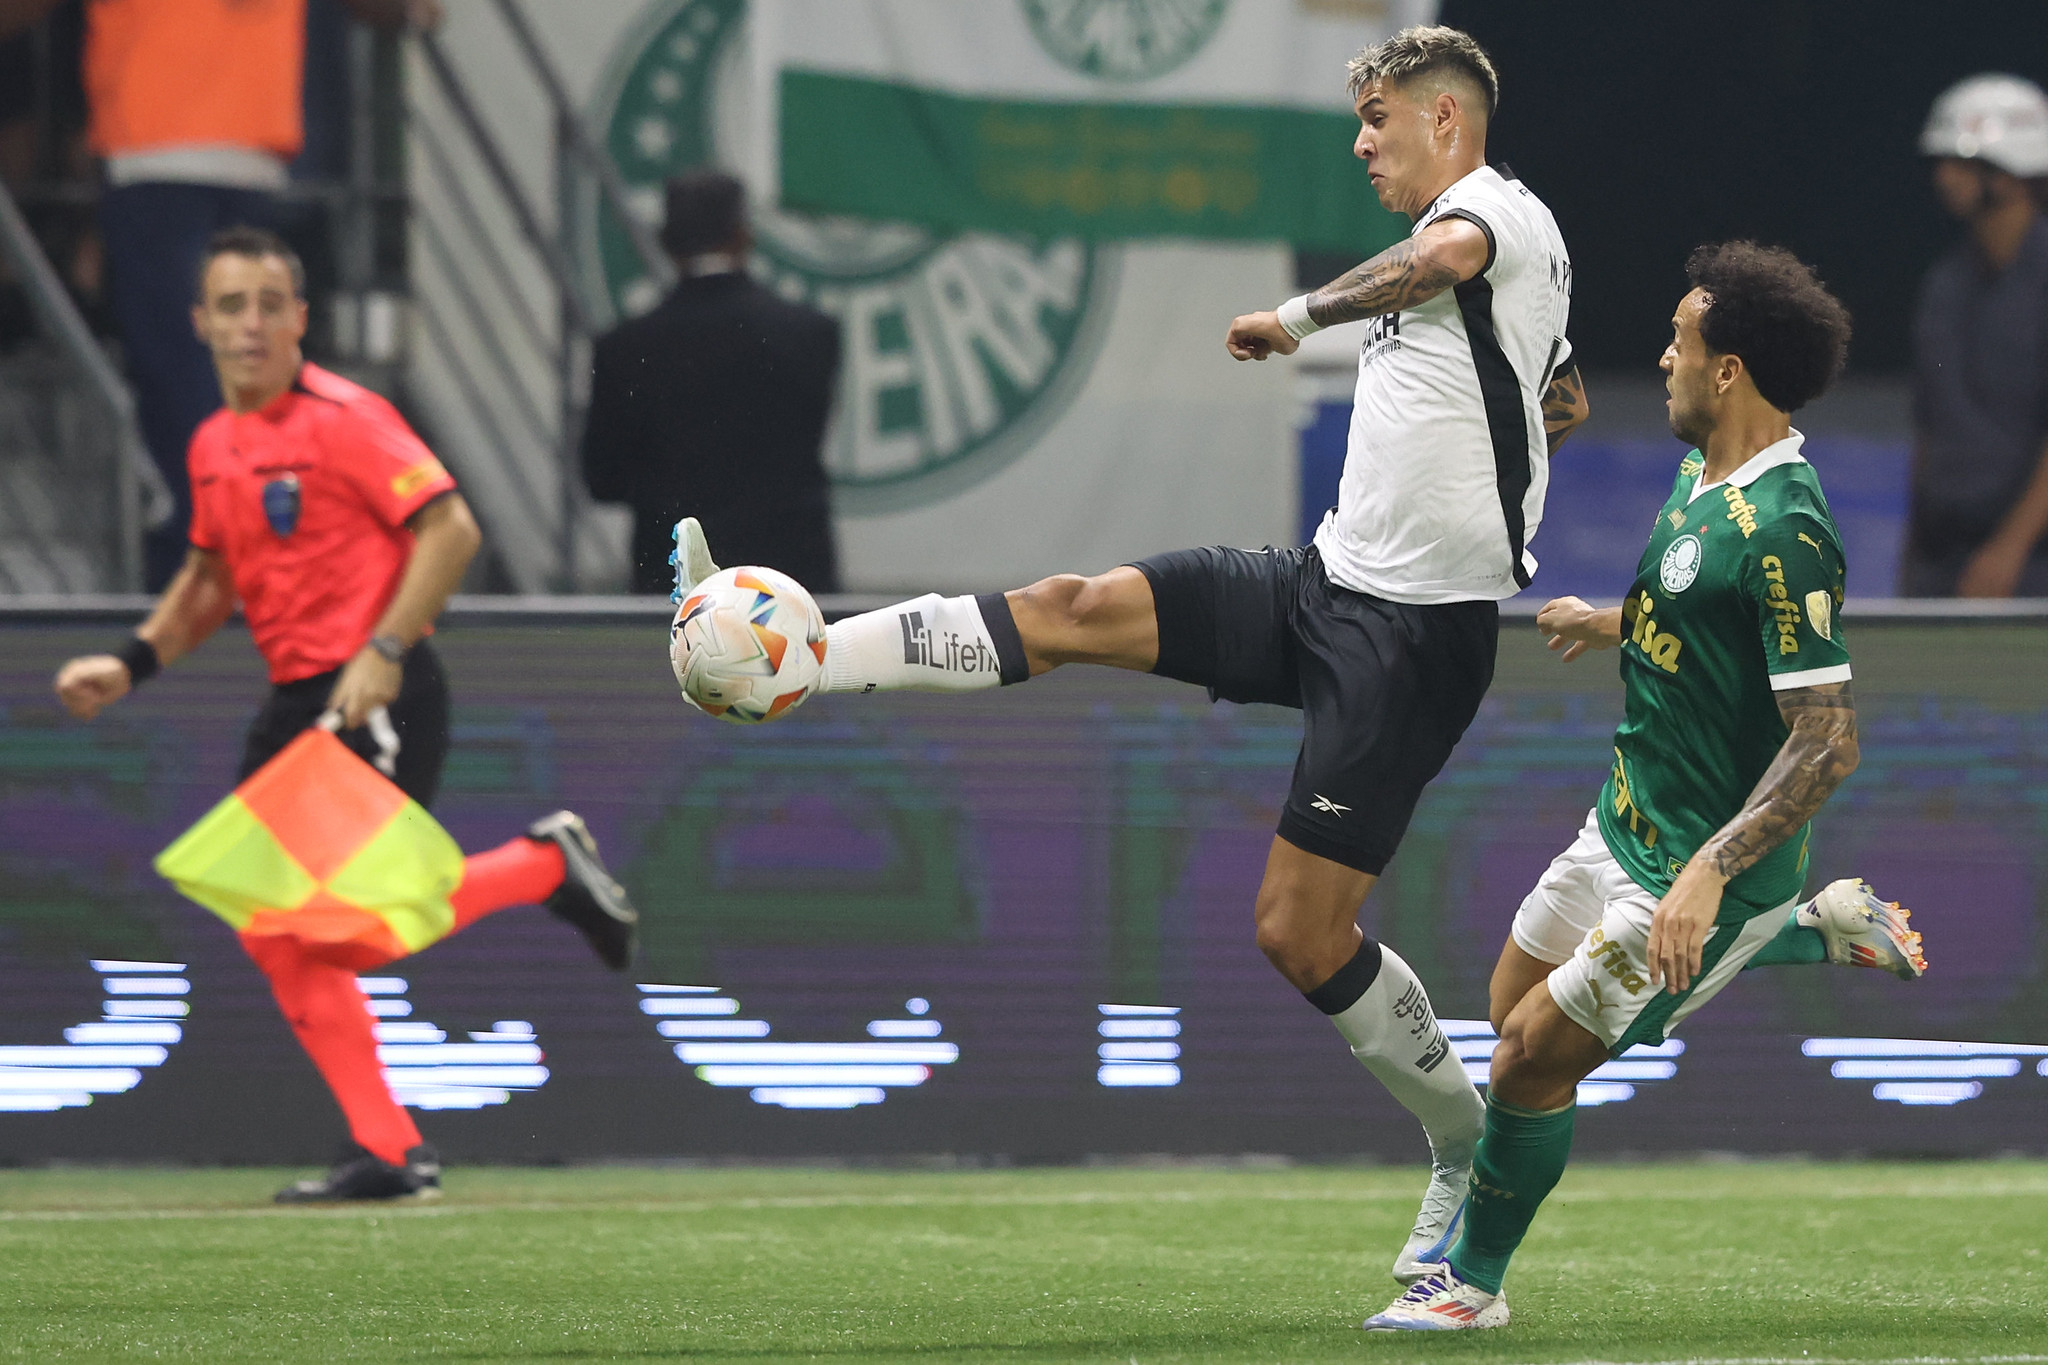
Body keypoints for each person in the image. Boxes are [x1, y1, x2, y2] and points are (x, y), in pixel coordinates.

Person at [672, 25, 1586, 1291]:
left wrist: (1295, 316)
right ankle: (806, 655)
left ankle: (1460, 1139)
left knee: (1296, 933)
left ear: (1445, 119)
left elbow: (1440, 261)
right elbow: (1563, 396)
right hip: (1322, 587)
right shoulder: (1500, 268)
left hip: (1414, 642)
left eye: (1377, 119)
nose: (1361, 143)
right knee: (1069, 607)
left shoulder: (1481, 219)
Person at [52, 226, 637, 1203]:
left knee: (338, 929)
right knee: (278, 931)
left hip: (377, 693)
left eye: (268, 305)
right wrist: (131, 660)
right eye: (230, 306)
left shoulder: (345, 419)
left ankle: (540, 869)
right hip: (297, 703)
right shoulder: (212, 443)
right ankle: (390, 1147)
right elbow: (208, 578)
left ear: (299, 319)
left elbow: (450, 529)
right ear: (199, 322)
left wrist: (385, 649)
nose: (249, 325)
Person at [1361, 243, 1885, 1331]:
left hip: (1697, 874)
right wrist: (1615, 622)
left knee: (1526, 1068)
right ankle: (1809, 929)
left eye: (1679, 342)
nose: (1661, 359)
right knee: (1507, 1021)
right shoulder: (1701, 467)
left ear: (1727, 369)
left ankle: (1472, 1290)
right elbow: (1704, 618)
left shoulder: (1786, 529)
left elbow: (1826, 743)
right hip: (1620, 822)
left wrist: (1704, 874)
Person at [0, 0, 437, 587]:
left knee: (184, 383)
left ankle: (204, 564)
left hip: (155, 150)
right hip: (252, 155)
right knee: (239, 380)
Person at [584, 170, 841, 596]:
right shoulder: (811, 334)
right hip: (789, 589)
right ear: (744, 236)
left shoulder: (624, 347)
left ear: (665, 242)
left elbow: (603, 479)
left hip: (677, 594)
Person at [1905, 74, 2048, 598]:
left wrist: (2008, 550)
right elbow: (1929, 426)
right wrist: (1913, 550)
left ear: (2011, 173)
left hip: (2029, 565)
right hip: (1941, 555)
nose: (1944, 176)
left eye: (1962, 162)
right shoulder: (1944, 283)